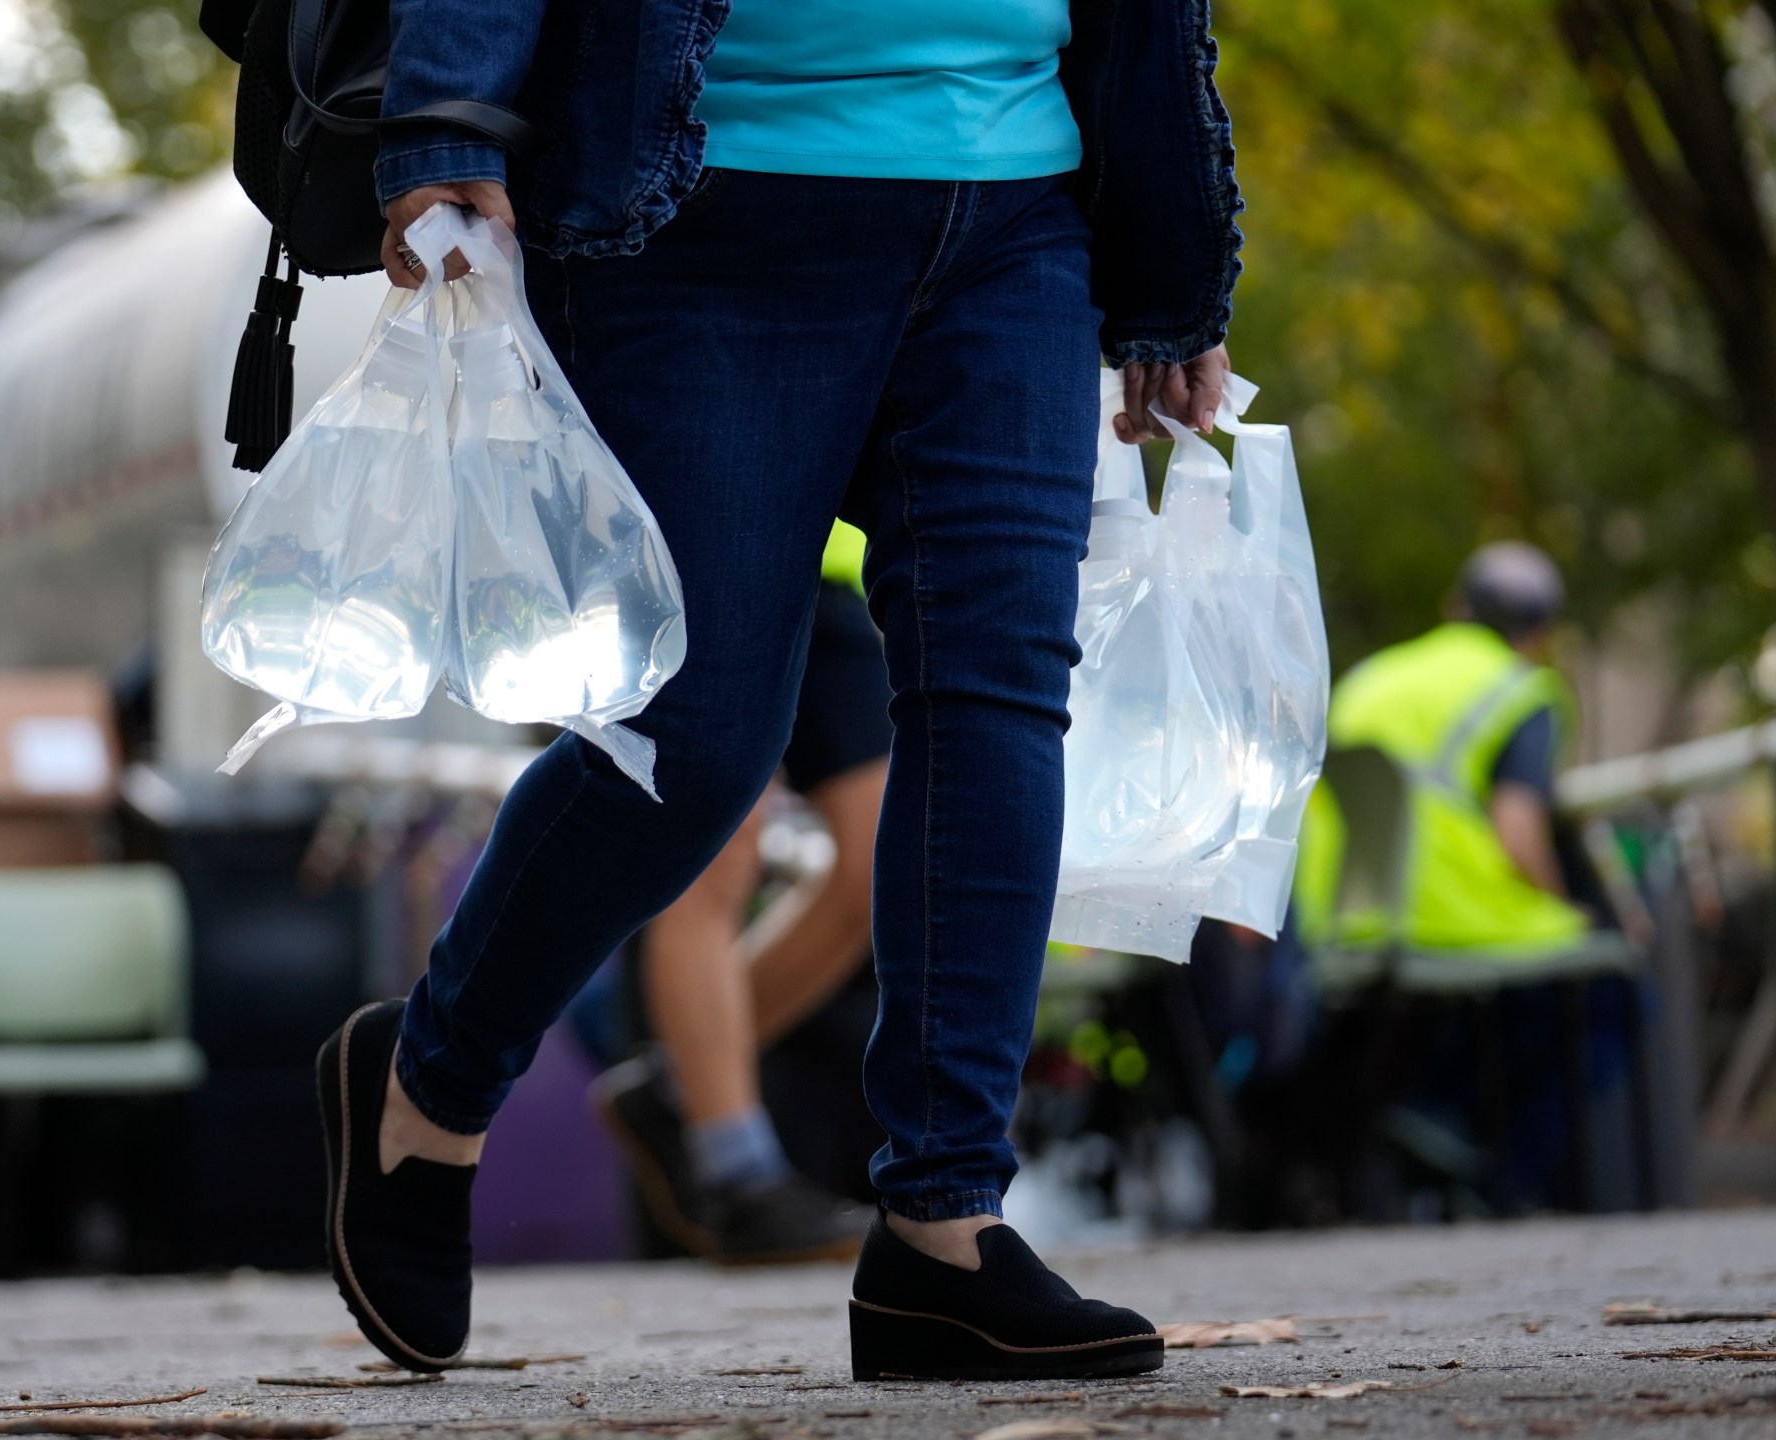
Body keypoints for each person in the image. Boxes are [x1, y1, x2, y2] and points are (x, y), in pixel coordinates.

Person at [314, 0, 1243, 1383]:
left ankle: (944, 1225)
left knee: (999, 695)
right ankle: (429, 1080)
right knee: (691, 740)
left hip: (1018, 210)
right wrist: (448, 113)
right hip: (705, 198)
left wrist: (1173, 263)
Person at [591, 523, 891, 1264]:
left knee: (883, 855)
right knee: (713, 850)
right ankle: (740, 1178)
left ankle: (673, 1086)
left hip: (814, 555)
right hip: (679, 542)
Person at [1313, 542, 1595, 955]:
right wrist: (1559, 902)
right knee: (1601, 952)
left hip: (1336, 924)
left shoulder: (1368, 678)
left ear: (1456, 607)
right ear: (1541, 635)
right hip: (1455, 925)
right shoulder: (1523, 691)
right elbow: (1518, 831)